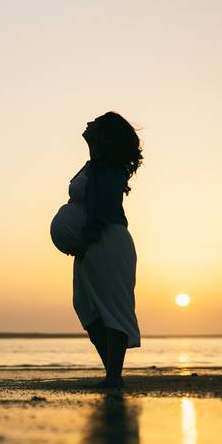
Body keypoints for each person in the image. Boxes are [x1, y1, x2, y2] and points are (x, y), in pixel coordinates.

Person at [67, 112, 143, 388]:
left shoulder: (108, 168)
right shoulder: (95, 164)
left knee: (112, 308)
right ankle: (112, 373)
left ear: (104, 135)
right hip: (91, 242)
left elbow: (105, 208)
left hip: (106, 241)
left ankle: (113, 376)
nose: (88, 122)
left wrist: (87, 237)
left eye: (96, 122)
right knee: (85, 307)